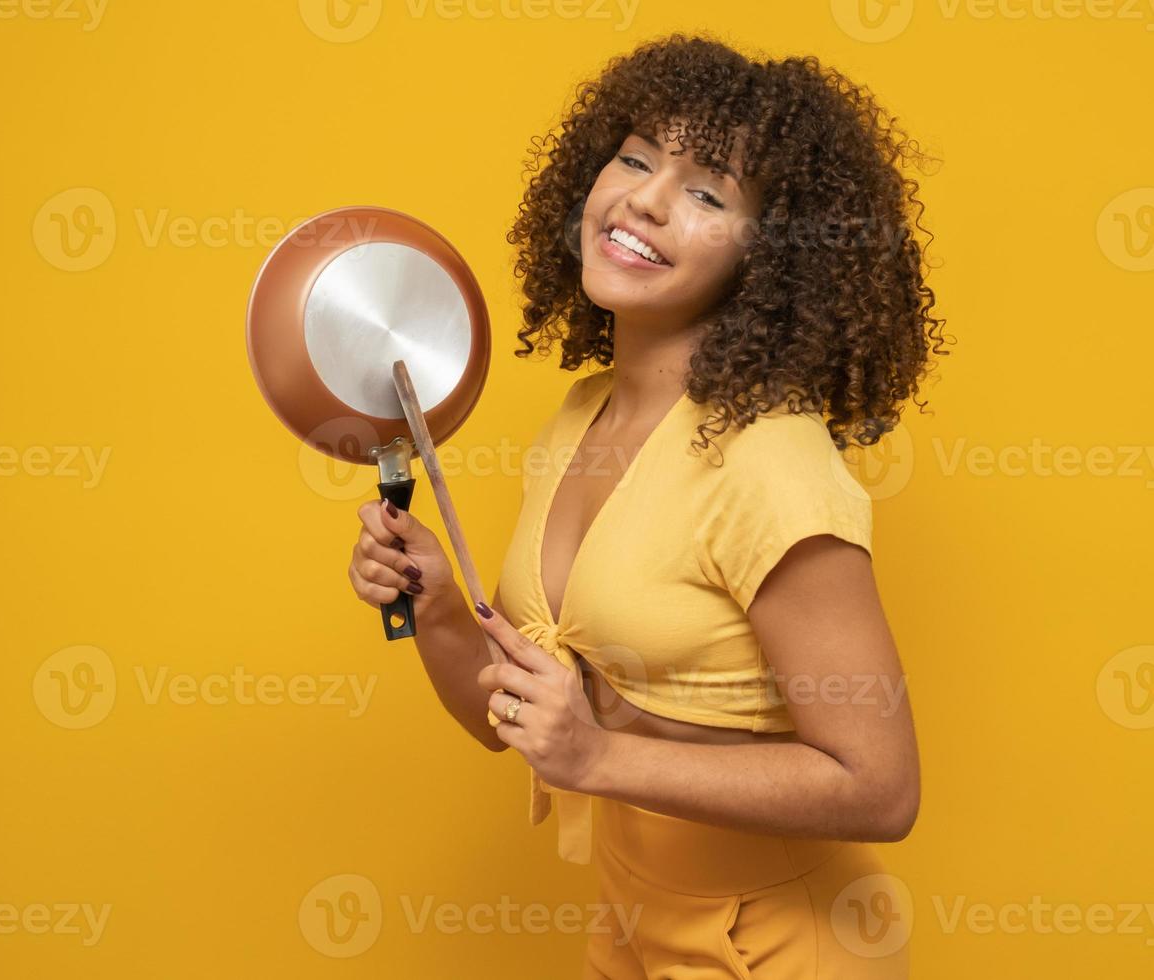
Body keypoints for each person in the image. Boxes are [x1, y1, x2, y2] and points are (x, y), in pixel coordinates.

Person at [348, 31, 948, 979]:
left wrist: (597, 762)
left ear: (772, 258)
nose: (644, 200)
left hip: (780, 948)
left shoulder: (769, 461)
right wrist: (437, 613)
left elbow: (881, 790)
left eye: (708, 192)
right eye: (634, 158)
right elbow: (525, 724)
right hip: (630, 925)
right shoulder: (582, 415)